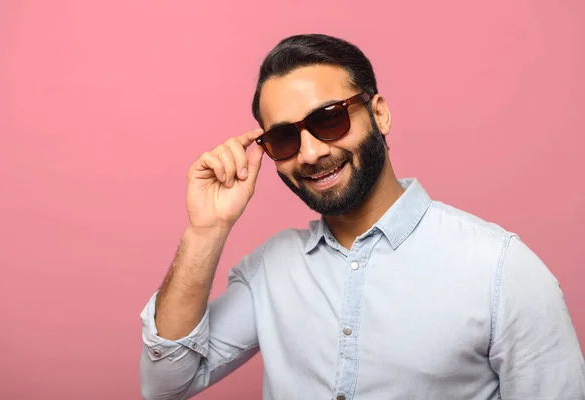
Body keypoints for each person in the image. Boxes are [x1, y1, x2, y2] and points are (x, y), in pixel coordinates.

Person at [139, 34, 585, 399]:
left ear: (379, 113)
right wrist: (207, 229)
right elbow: (165, 385)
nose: (311, 153)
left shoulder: (502, 270)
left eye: (330, 120)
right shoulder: (270, 271)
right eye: (283, 139)